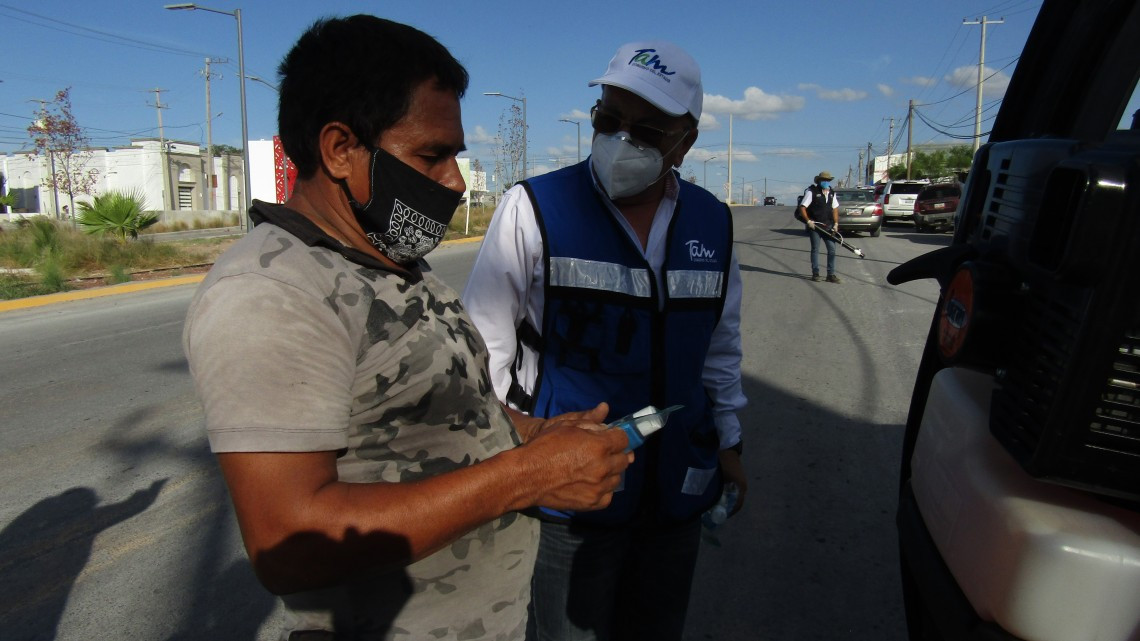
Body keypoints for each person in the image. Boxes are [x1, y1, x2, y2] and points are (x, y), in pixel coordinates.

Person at [182, 16, 632, 641]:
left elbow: (427, 415)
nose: (453, 179)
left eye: (457, 156)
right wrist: (528, 476)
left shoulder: (390, 261)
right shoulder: (272, 294)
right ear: (340, 148)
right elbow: (288, 542)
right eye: (431, 154)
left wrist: (529, 434)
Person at [462, 40, 747, 641]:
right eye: (608, 120)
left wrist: (730, 442)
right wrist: (507, 465)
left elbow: (719, 350)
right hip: (569, 499)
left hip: (677, 490)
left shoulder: (711, 223)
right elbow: (483, 357)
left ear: (685, 141)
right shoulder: (533, 209)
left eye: (646, 130)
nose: (621, 140)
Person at [796, 171, 841, 283]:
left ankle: (830, 274)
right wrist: (808, 221)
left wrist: (836, 223)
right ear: (819, 181)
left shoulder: (831, 193)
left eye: (827, 180)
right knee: (815, 249)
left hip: (828, 225)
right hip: (815, 226)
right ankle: (815, 273)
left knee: (832, 249)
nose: (826, 182)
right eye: (823, 180)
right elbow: (802, 207)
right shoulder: (812, 192)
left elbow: (835, 209)